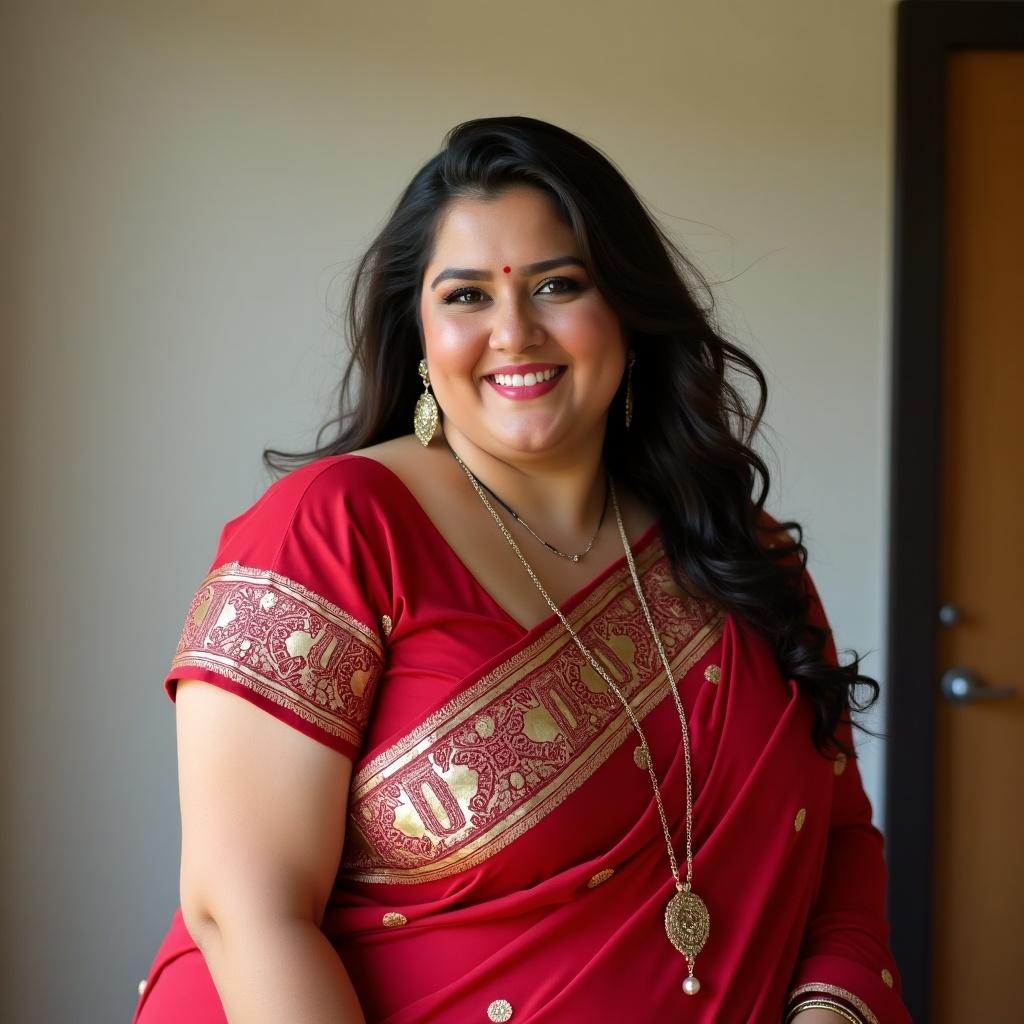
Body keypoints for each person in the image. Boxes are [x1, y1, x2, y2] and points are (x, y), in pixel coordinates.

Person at [132, 116, 911, 1024]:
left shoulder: (741, 555)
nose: (515, 331)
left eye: (558, 284)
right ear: (418, 331)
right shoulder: (335, 530)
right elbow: (245, 912)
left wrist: (833, 1012)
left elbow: (839, 839)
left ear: (625, 309)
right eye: (466, 296)